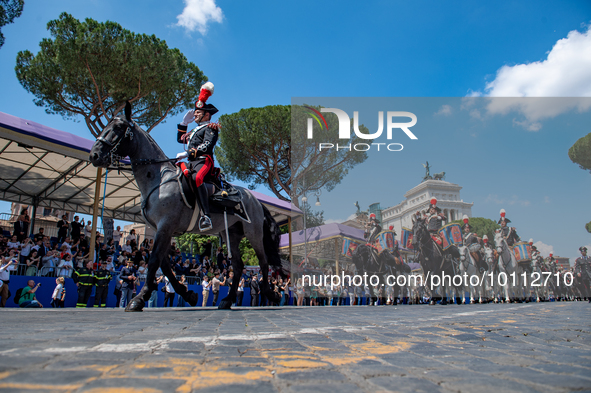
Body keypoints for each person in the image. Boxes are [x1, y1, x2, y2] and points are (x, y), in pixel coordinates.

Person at [175, 83, 219, 231]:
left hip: (203, 161)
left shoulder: (210, 128)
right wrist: (183, 123)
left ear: (207, 114)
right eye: (194, 113)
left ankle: (206, 216)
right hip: (191, 162)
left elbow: (206, 145)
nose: (195, 115)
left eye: (198, 113)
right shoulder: (194, 130)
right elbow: (181, 139)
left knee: (197, 178)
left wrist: (188, 153)